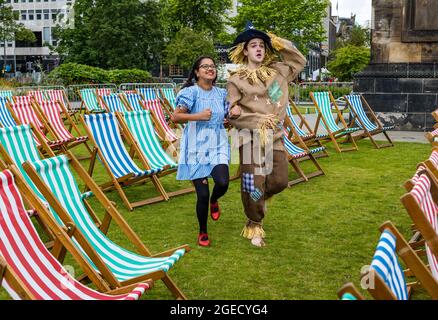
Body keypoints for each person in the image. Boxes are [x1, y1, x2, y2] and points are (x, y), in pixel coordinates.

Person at [227, 23, 306, 247]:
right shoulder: (235, 80)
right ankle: (254, 224)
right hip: (250, 139)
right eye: (253, 45)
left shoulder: (278, 72)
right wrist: (255, 120)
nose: (259, 49)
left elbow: (299, 61)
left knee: (280, 181)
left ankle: (259, 199)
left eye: (262, 45)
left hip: (276, 138)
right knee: (253, 184)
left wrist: (278, 41)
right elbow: (232, 114)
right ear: (245, 51)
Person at [172, 56, 230, 247]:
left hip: (218, 143)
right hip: (195, 147)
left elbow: (227, 114)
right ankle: (203, 231)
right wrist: (199, 116)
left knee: (222, 182)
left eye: (212, 66)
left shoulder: (222, 93)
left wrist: (230, 118)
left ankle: (215, 200)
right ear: (197, 72)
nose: (210, 69)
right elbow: (176, 117)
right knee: (202, 194)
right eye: (205, 66)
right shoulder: (190, 92)